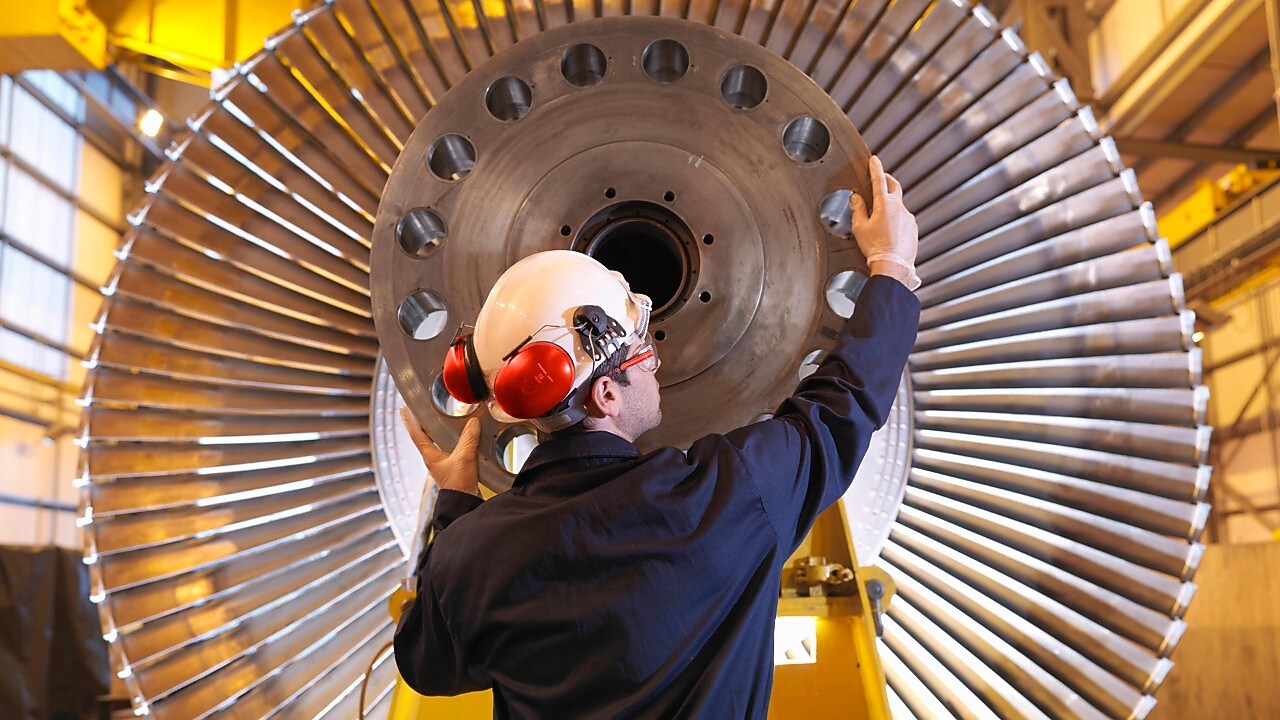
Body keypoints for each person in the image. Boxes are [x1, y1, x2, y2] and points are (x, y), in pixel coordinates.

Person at [394, 155, 921, 718]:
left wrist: (456, 507)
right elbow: (841, 409)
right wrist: (890, 265)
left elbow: (427, 665)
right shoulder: (726, 499)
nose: (656, 360)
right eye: (642, 349)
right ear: (605, 395)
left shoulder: (471, 558)